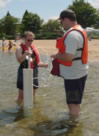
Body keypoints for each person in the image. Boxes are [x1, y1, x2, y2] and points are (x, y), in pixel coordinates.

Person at [51, 9, 89, 122]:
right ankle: (74, 119)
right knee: (75, 102)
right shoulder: (80, 30)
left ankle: (73, 127)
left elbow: (68, 57)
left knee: (73, 103)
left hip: (74, 76)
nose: (61, 24)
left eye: (61, 22)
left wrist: (56, 56)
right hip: (80, 72)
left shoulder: (72, 35)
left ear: (66, 19)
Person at [16, 31, 48, 105]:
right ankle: (18, 110)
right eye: (28, 40)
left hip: (34, 72)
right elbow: (19, 60)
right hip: (23, 72)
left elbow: (38, 63)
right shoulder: (19, 48)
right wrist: (25, 54)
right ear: (24, 39)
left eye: (32, 40)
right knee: (21, 96)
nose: (30, 42)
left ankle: (32, 108)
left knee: (32, 94)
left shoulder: (34, 48)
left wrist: (44, 65)